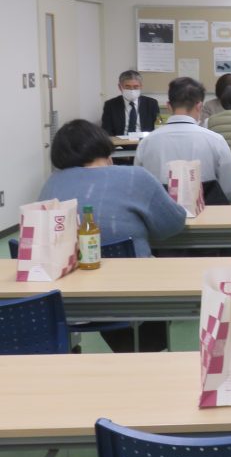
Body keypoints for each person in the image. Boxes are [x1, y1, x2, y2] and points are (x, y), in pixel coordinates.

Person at [39, 119, 187, 351]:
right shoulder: (135, 177)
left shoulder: (52, 184)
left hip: (63, 301)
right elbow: (172, 225)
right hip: (130, 296)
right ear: (103, 146)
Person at [135, 77, 231, 204]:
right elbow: (230, 189)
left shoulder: (146, 142)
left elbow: (139, 186)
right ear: (199, 106)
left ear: (168, 106)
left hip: (160, 213)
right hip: (207, 212)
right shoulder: (216, 140)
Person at [100, 69, 160, 136]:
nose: (132, 90)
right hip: (120, 141)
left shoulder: (151, 103)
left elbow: (157, 128)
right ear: (120, 87)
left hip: (144, 140)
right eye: (127, 87)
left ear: (141, 87)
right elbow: (106, 130)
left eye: (136, 87)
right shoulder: (110, 105)